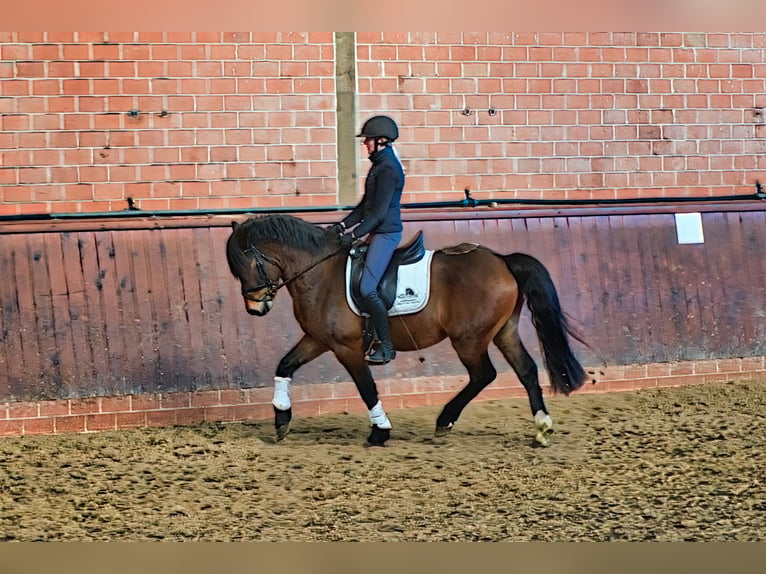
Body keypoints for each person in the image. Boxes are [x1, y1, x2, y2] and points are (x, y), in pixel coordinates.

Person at [331, 115, 404, 365]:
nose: (365, 145)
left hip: (386, 232)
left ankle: (386, 345)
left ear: (381, 141)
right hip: (375, 229)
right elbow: (364, 207)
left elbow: (379, 213)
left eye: (368, 141)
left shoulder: (388, 169)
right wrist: (342, 225)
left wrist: (356, 234)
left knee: (367, 288)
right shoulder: (378, 166)